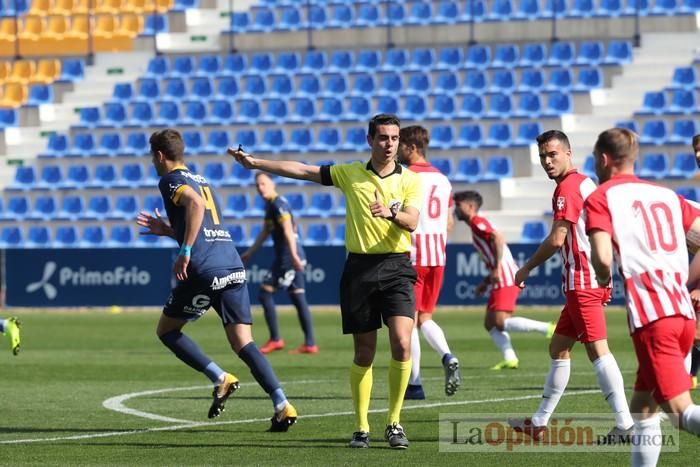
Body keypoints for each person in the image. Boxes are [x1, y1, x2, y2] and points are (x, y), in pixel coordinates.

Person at [229, 113, 421, 450]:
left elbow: (412, 220)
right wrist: (256, 162)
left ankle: (394, 422)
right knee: (364, 352)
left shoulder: (409, 180)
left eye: (394, 138)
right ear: (370, 140)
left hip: (397, 267)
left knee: (403, 343)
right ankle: (361, 426)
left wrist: (390, 213)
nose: (389, 144)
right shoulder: (350, 173)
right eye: (383, 138)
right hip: (359, 269)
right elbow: (303, 170)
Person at [135, 129, 297, 431]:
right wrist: (169, 230)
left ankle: (220, 377)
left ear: (158, 155)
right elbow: (203, 222)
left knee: (167, 330)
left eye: (151, 155)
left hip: (205, 268)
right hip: (231, 265)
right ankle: (281, 404)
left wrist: (183, 250)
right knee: (244, 343)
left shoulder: (170, 180)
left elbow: (195, 206)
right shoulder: (202, 179)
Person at [508, 130, 634, 441]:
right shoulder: (585, 182)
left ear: (568, 154)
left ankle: (626, 424)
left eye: (552, 154)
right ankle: (538, 422)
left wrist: (525, 268)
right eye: (542, 157)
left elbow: (557, 239)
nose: (547, 161)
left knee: (598, 350)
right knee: (558, 347)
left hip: (583, 281)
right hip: (588, 279)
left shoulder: (568, 187)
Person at [585, 127, 700, 466]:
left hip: (653, 316)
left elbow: (603, 257)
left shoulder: (601, 197)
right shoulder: (666, 195)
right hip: (681, 313)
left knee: (680, 411)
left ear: (604, 159)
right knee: (643, 410)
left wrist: (603, 277)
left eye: (594, 158)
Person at [453, 190, 555, 369]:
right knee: (490, 323)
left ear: (469, 207)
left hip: (506, 276)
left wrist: (498, 269)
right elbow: (493, 251)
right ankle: (510, 358)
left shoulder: (478, 222)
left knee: (499, 321)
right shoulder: (475, 225)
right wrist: (486, 282)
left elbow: (498, 238)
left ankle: (547, 328)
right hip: (502, 275)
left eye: (458, 205)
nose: (456, 210)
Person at [396, 125, 460, 401]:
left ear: (411, 146)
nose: (396, 150)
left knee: (408, 321)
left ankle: (415, 383)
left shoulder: (405, 176)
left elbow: (397, 215)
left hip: (413, 255)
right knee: (426, 318)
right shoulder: (443, 179)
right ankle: (446, 355)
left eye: (400, 144)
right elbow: (449, 223)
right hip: (438, 255)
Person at [240, 172, 318, 355]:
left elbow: (289, 231)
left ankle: (275, 339)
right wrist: (250, 253)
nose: (260, 188)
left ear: (272, 184)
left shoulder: (277, 204)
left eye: (263, 184)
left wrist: (293, 256)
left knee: (264, 293)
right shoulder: (271, 206)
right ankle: (310, 343)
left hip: (288, 257)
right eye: (257, 185)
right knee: (298, 297)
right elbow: (265, 232)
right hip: (293, 255)